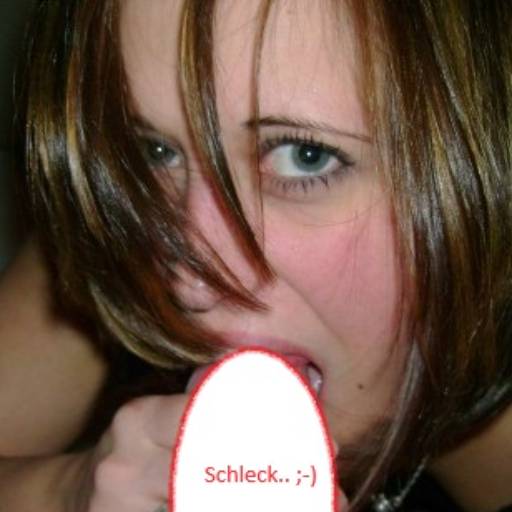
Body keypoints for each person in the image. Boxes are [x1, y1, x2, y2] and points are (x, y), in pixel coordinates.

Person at [0, 0, 511, 511]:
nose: (187, 287)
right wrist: (64, 492)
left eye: (306, 157)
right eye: (155, 151)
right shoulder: (116, 226)